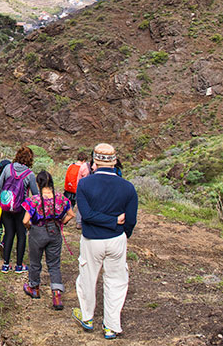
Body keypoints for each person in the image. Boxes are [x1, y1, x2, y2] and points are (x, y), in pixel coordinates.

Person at [72, 143, 138, 340]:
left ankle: (87, 317)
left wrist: (106, 221)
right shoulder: (127, 187)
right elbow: (131, 219)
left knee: (87, 278)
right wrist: (120, 228)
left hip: (92, 239)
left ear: (95, 161)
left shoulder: (84, 184)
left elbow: (87, 215)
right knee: (116, 281)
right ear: (115, 161)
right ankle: (111, 325)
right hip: (116, 239)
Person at [22, 171, 75, 310]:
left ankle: (34, 288)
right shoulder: (60, 198)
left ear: (38, 183)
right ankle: (57, 294)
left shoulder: (34, 200)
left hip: (37, 231)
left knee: (34, 262)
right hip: (55, 231)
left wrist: (29, 227)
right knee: (54, 264)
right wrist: (61, 222)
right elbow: (71, 214)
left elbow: (25, 220)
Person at [0, 145, 38, 273]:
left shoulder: (8, 168)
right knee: (21, 236)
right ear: (30, 160)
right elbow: (35, 195)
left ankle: (6, 265)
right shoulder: (29, 174)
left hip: (6, 206)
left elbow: (0, 187)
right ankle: (19, 265)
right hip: (21, 208)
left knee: (9, 234)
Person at [75, 152, 94, 229]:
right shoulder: (91, 167)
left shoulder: (83, 166)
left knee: (80, 205)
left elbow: (79, 179)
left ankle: (79, 222)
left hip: (82, 188)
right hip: (91, 189)